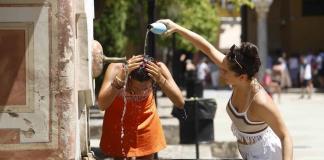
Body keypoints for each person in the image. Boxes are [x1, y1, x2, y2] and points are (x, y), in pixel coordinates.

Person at [157, 19, 293, 160]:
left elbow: (285, 136)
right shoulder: (235, 67)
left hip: (268, 155)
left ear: (242, 77)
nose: (221, 72)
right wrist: (178, 28)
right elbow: (207, 48)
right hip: (248, 154)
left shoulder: (260, 102)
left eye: (225, 71)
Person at [98, 54, 185, 159]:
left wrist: (161, 79)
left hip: (146, 124)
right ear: (129, 77)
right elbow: (102, 105)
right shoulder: (117, 68)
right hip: (118, 124)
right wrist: (119, 81)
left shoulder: (158, 69)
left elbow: (180, 102)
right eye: (135, 88)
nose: (139, 92)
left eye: (145, 89)